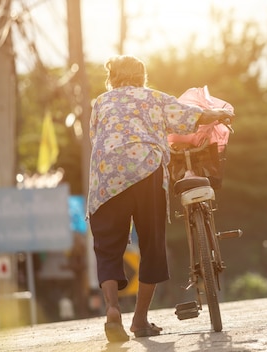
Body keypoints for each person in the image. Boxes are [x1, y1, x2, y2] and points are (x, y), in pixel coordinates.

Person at [86, 55, 233, 342]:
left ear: (112, 78)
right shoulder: (153, 98)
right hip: (146, 169)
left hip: (107, 178)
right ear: (141, 76)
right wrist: (218, 115)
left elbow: (97, 138)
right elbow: (190, 115)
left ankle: (112, 309)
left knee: (107, 247)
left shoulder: (100, 103)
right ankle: (140, 320)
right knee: (152, 244)